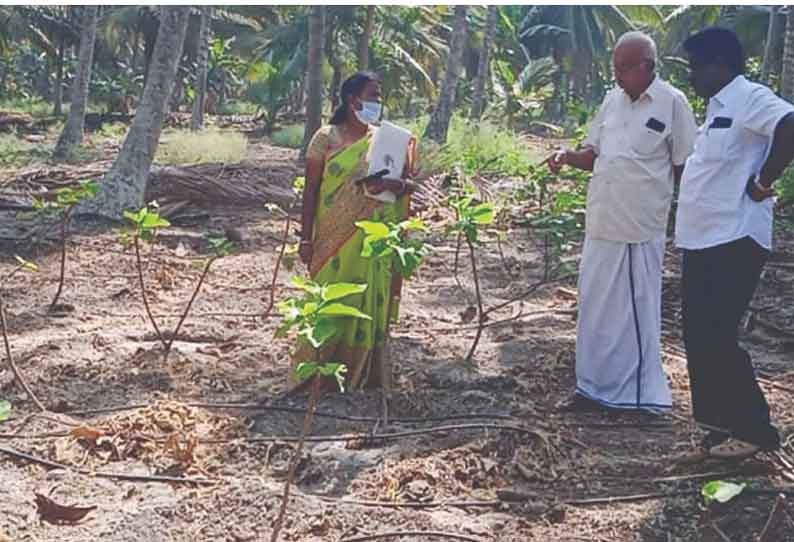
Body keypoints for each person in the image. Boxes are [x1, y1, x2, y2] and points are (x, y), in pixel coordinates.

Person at [547, 32, 697, 412]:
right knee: (594, 309)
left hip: (639, 228)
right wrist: (567, 156)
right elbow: (595, 154)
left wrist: (691, 222)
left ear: (647, 65)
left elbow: (685, 169)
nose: (617, 76)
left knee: (634, 313)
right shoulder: (611, 101)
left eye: (624, 68)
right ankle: (591, 387)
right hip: (602, 222)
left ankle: (639, 397)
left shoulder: (672, 103)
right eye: (614, 67)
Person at [676, 27, 794, 459]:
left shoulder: (749, 96)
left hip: (735, 238)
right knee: (698, 336)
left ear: (720, 66)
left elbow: (790, 123)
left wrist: (764, 181)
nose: (691, 76)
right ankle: (716, 430)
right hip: (703, 240)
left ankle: (755, 431)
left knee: (719, 335)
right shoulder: (716, 109)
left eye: (696, 67)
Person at [295, 71, 418, 391]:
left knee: (366, 300)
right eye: (374, 95)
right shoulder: (326, 138)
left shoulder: (389, 140)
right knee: (328, 302)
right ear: (354, 101)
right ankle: (316, 376)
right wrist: (305, 239)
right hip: (331, 241)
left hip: (373, 241)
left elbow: (409, 185)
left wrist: (396, 184)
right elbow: (310, 193)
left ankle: (362, 375)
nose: (379, 102)